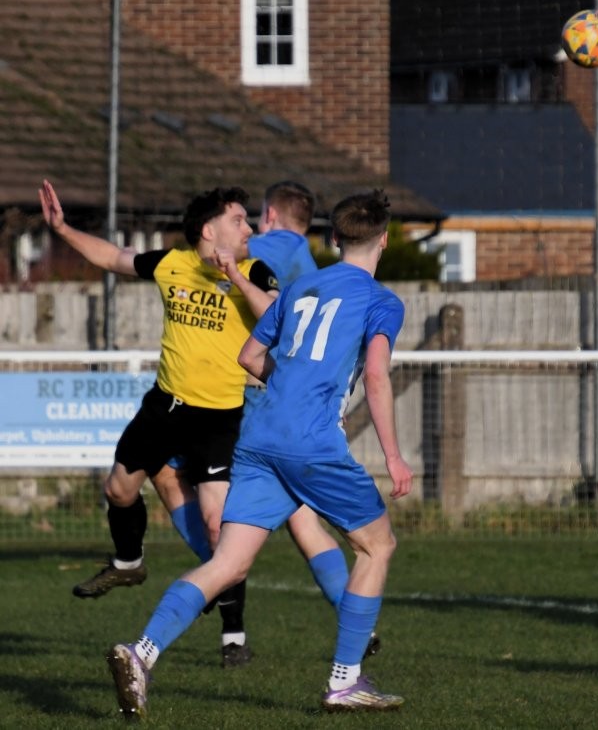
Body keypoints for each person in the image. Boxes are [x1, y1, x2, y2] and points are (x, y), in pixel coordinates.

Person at [106, 189, 412, 718]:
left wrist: (289, 382)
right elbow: (378, 375)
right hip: (311, 441)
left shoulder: (299, 288)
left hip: (258, 437)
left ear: (334, 238)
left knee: (227, 563)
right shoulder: (382, 301)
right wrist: (394, 457)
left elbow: (250, 356)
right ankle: (345, 682)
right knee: (376, 546)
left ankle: (141, 652)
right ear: (383, 241)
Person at [39, 180, 277, 667]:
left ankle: (234, 638)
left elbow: (274, 314)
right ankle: (129, 561)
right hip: (165, 407)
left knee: (218, 528)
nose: (248, 228)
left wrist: (237, 277)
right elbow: (113, 257)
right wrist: (61, 229)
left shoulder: (256, 270)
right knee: (118, 490)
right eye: (238, 220)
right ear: (209, 230)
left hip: (219, 418)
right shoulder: (172, 263)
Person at [156, 181, 380, 662]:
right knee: (311, 528)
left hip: (266, 405)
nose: (248, 230)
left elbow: (236, 263)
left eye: (250, 219)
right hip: (301, 417)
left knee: (204, 513)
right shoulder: (318, 269)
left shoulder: (278, 246)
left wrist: (224, 256)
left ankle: (191, 628)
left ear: (271, 216)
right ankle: (351, 632)